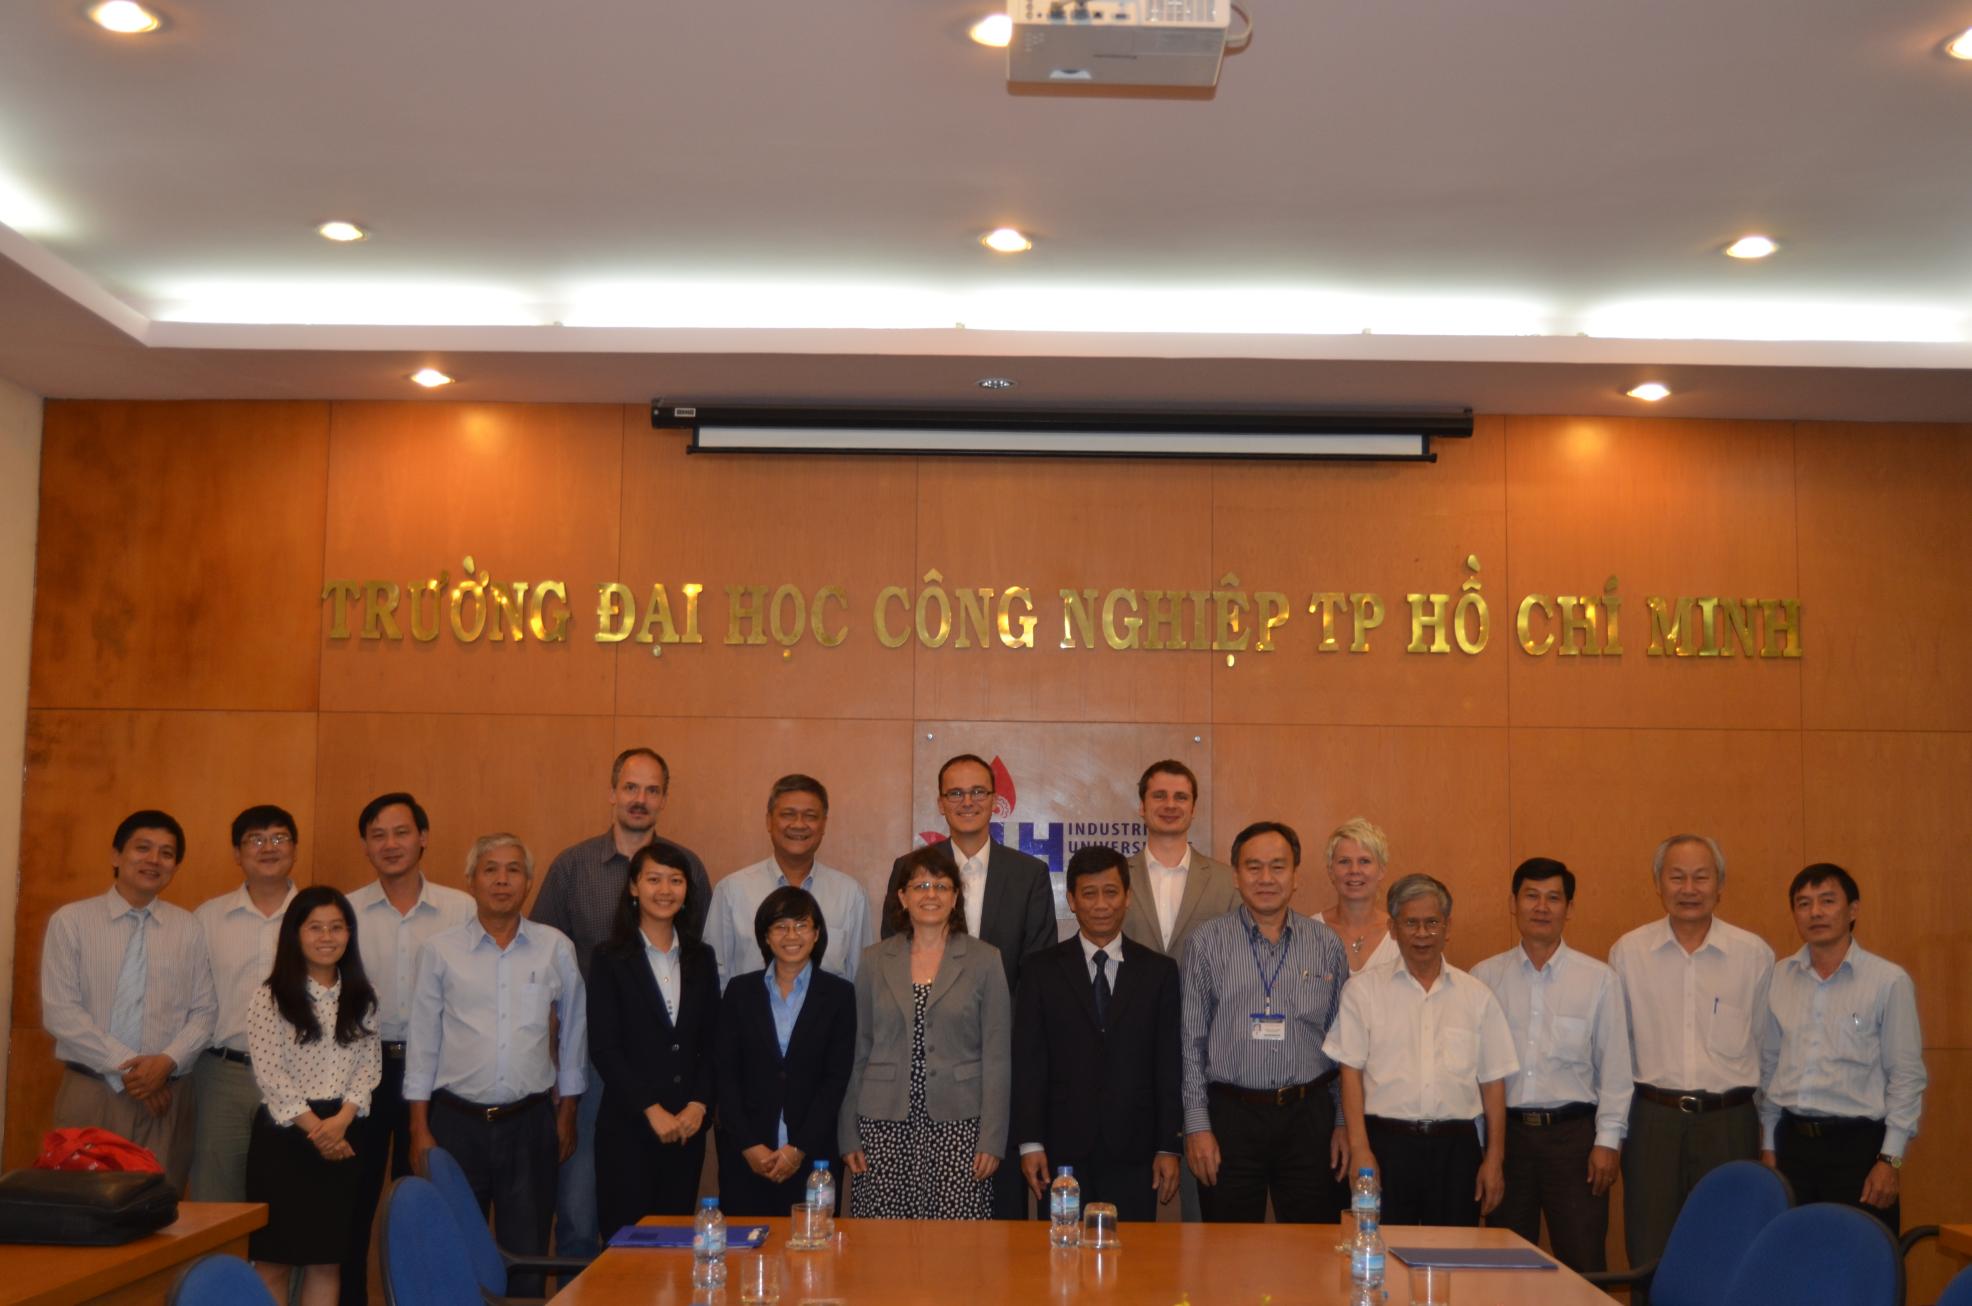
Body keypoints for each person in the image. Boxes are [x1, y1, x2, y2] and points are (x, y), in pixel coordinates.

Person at [532, 746, 709, 1259]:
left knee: (663, 1213)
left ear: (664, 799)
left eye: (652, 790)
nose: (640, 799)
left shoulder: (687, 867)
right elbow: (542, 958)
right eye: (631, 787)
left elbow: (687, 965)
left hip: (664, 1067)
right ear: (613, 793)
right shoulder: (573, 866)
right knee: (581, 1208)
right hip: (589, 1056)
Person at [405, 834, 586, 1297]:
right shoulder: (440, 950)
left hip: (529, 1122)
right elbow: (423, 1042)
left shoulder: (554, 947)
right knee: (452, 1250)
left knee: (526, 1256)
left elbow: (574, 1034)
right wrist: (419, 1129)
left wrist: (566, 1114)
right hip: (453, 1121)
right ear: (470, 880)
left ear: (528, 882)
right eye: (490, 869)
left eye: (513, 870)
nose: (501, 880)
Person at [882, 752, 1053, 1218]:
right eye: (955, 793)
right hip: (926, 1064)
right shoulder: (910, 868)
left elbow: (1036, 975)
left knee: (996, 1204)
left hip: (1005, 1057)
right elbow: (893, 966)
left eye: (978, 791)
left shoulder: (1028, 874)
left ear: (995, 801)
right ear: (940, 802)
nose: (967, 801)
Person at [1607, 833, 1773, 1269]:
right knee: (1649, 1251)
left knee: (1729, 1246)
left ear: (1720, 884)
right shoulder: (1628, 952)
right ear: (1658, 884)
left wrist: (1769, 1135)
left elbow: (1767, 1050)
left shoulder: (1753, 954)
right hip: (1652, 1121)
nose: (1689, 888)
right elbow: (1616, 1050)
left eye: (1702, 877)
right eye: (1677, 877)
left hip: (1730, 1120)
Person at [1179, 821, 1349, 1223]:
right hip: (1231, 1118)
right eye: (1253, 867)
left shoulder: (1325, 944)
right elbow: (1190, 1043)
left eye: (1278, 867)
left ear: (1295, 877)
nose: (1266, 878)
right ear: (1236, 876)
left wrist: (1342, 1122)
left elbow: (1344, 1043)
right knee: (1228, 1253)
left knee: (1314, 1250)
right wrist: (1197, 1125)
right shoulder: (1206, 943)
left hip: (1309, 1117)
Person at [1326, 874, 1518, 1227]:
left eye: (1432, 923)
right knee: (1383, 1257)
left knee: (1454, 1262)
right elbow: (1349, 1074)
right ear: (1393, 929)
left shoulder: (1476, 996)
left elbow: (1493, 1083)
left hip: (1456, 1150)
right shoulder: (1363, 992)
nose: (1422, 933)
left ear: (1447, 928)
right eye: (1411, 923)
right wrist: (1360, 1148)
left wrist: (1494, 1159)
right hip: (1385, 1145)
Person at [342, 791, 473, 1306]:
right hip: (362, 1075)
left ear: (423, 838)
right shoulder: (345, 911)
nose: (391, 844)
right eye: (378, 835)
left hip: (437, 1076)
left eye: (401, 832)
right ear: (365, 846)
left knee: (424, 1204)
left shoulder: (462, 908)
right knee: (353, 1203)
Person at [1471, 858, 1632, 1270]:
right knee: (1504, 1267)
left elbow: (1615, 1069)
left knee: (1584, 1265)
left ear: (1569, 908)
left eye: (1553, 898)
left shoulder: (1599, 979)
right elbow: (1472, 1072)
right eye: (1531, 896)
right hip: (1507, 1140)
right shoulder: (1484, 979)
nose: (1541, 907)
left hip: (1575, 1142)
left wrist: (1607, 1142)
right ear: (1514, 903)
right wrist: (1484, 1148)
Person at [41, 810, 215, 1190]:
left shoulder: (188, 928)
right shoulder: (71, 922)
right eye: (143, 848)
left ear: (175, 866)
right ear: (116, 855)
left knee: (161, 1213)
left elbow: (204, 1013)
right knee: (81, 1209)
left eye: (167, 853)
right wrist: (134, 1075)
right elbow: (60, 1012)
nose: (154, 860)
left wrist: (165, 1065)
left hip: (166, 1098)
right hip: (93, 1092)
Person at [1014, 846, 1181, 1222]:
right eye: (1089, 894)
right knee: (1063, 1259)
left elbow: (1168, 1064)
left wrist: (1168, 1147)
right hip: (1061, 1150)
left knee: (1135, 1262)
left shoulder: (1159, 973)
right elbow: (1029, 1061)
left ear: (1128, 897)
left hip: (1136, 1148)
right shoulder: (1040, 971)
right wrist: (1030, 1142)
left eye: (1111, 892)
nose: (1101, 904)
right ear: (1071, 900)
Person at [842, 846, 1010, 1220]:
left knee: (956, 1247)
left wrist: (993, 1139)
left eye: (941, 886)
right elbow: (858, 1050)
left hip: (961, 1124)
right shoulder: (873, 961)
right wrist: (847, 1131)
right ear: (902, 897)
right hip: (882, 1124)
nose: (930, 894)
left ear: (955, 897)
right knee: (883, 1246)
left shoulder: (986, 959)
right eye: (920, 886)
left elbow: (998, 1057)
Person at [1758, 863, 1925, 1234]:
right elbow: (1769, 1067)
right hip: (1791, 1146)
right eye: (1804, 903)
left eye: (1827, 900)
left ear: (1853, 910)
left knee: (1859, 1265)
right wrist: (1768, 1145)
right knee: (1790, 1262)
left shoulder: (1888, 981)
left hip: (1860, 1150)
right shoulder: (1778, 978)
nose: (1815, 912)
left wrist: (1890, 1161)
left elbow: (1906, 1077)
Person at [244, 887, 381, 1306]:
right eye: (315, 927)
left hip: (344, 1131)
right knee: (273, 1261)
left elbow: (368, 1067)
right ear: (295, 934)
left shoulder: (361, 996)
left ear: (349, 934)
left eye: (337, 927)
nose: (327, 937)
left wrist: (340, 1123)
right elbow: (273, 1076)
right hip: (286, 1139)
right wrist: (320, 1132)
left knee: (327, 1262)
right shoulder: (269, 997)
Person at [588, 844, 719, 1234]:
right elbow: (604, 1047)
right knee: (626, 1251)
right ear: (633, 887)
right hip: (628, 1128)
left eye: (676, 881)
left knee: (675, 1249)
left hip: (686, 1130)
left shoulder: (701, 957)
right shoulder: (609, 958)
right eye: (654, 879)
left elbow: (713, 1041)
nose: (665, 890)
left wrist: (699, 1103)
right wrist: (650, 1109)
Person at [714, 886, 856, 1217]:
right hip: (746, 1155)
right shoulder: (739, 992)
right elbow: (725, 1072)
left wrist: (798, 1148)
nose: (791, 935)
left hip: (814, 1156)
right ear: (765, 936)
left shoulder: (839, 995)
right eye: (780, 926)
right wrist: (748, 1144)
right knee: (746, 1258)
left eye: (802, 925)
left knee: (813, 1261)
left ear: (817, 933)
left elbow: (836, 1080)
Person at [189, 804, 302, 1203]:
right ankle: (218, 1268)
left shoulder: (319, 915)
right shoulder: (207, 918)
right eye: (255, 839)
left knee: (290, 1199)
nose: (267, 847)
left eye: (278, 838)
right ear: (237, 853)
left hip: (300, 1074)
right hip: (224, 1074)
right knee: (215, 1196)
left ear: (294, 848)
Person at [705, 774, 871, 988]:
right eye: (788, 814)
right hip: (749, 1018)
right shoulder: (731, 891)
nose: (799, 824)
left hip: (825, 1019)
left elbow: (861, 979)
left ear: (823, 824)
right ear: (769, 821)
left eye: (810, 816)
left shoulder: (850, 894)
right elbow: (715, 977)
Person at [1120, 759, 1237, 962]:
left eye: (1181, 797)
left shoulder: (1227, 881)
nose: (1170, 805)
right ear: (1142, 807)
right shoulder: (1117, 876)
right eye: (1159, 796)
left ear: (1193, 810)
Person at [1319, 818, 1398, 975]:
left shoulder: (1399, 936)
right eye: (1344, 861)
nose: (1354, 870)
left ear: (1381, 870)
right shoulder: (1311, 932)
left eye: (1364, 861)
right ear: (1330, 871)